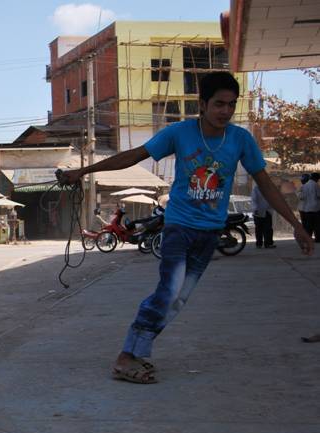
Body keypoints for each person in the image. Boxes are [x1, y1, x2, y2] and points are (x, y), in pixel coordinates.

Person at [56, 71, 314, 384]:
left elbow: (266, 185)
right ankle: (126, 356)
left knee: (179, 298)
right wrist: (84, 170)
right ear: (202, 104)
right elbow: (134, 156)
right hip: (179, 225)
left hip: (210, 232)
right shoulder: (179, 133)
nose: (225, 111)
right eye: (219, 104)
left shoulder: (240, 139)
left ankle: (136, 353)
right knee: (169, 291)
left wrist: (296, 225)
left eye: (231, 105)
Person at [251, 183, 275, 248]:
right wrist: (255, 209)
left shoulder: (267, 188)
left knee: (268, 228)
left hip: (267, 211)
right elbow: (254, 199)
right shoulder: (256, 188)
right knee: (259, 229)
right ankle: (259, 243)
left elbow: (271, 198)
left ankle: (268, 243)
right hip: (258, 211)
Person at [299, 172, 320, 242]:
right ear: (316, 178)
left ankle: (308, 238)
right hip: (316, 208)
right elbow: (318, 195)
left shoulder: (304, 186)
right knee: (317, 224)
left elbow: (302, 197)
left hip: (306, 209)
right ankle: (318, 238)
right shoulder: (315, 185)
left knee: (308, 225)